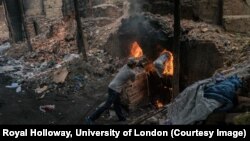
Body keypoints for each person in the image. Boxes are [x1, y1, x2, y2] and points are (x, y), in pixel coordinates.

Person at [85, 57, 138, 124]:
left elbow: (130, 68)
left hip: (112, 86)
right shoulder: (132, 72)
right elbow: (133, 80)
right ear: (133, 65)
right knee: (106, 106)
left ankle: (121, 118)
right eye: (135, 64)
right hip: (115, 90)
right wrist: (135, 71)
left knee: (117, 104)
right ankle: (91, 118)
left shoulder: (125, 66)